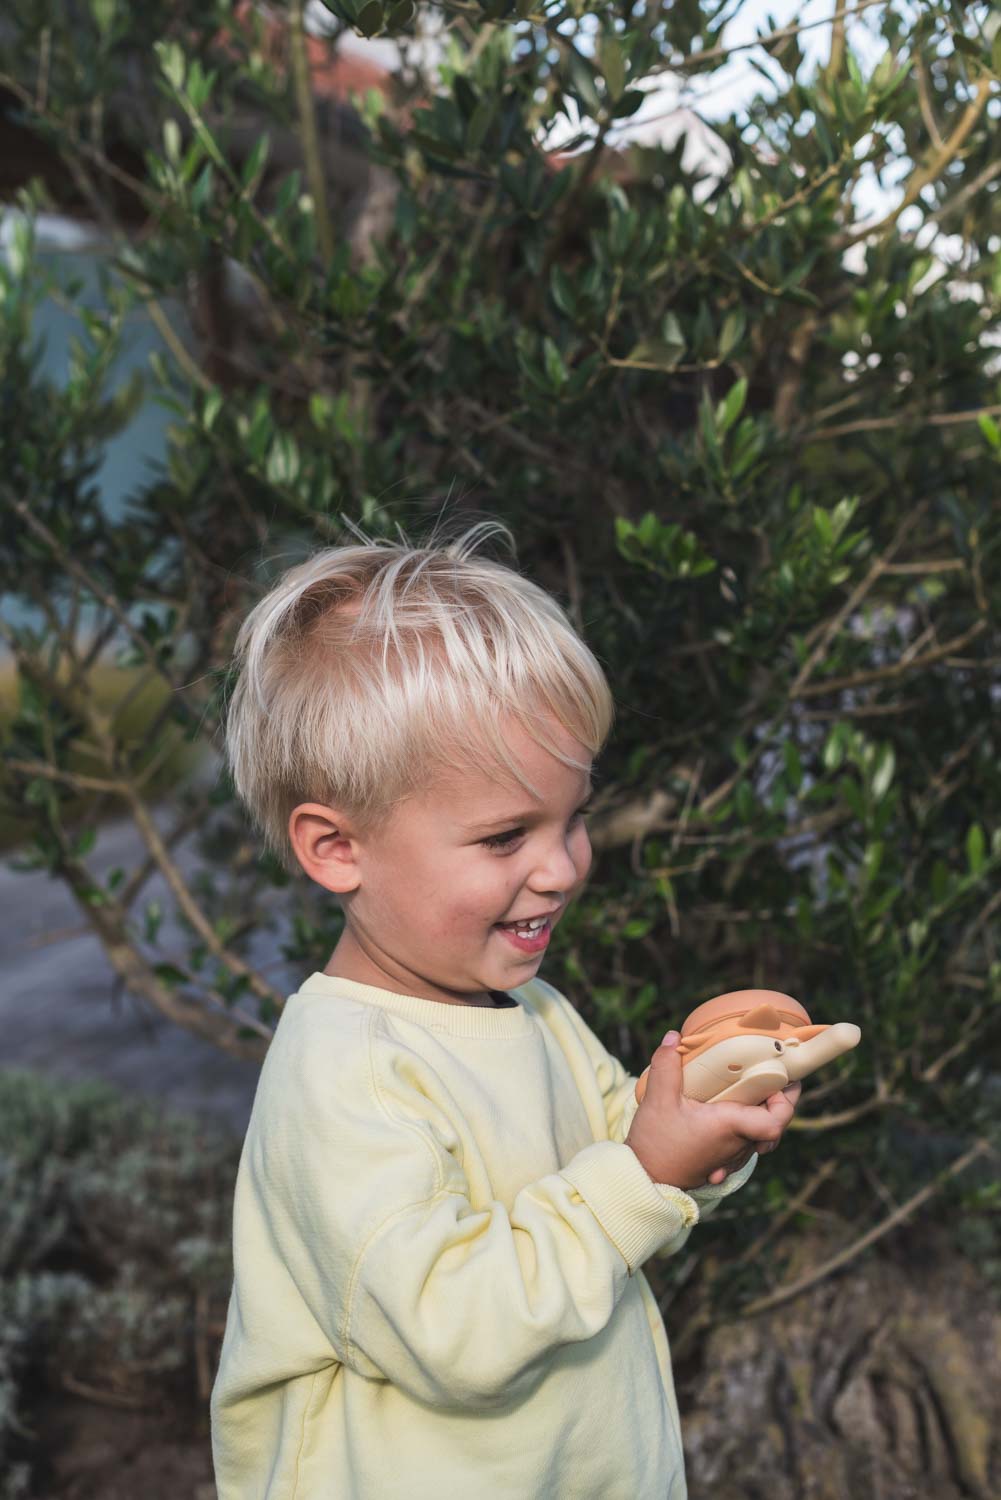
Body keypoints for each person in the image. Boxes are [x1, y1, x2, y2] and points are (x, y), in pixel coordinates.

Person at [210, 520, 800, 1499]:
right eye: (502, 837)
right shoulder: (344, 1077)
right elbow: (449, 1330)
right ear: (336, 850)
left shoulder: (525, 1011)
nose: (562, 866)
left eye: (570, 817)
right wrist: (644, 1168)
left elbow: (619, 1156)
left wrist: (702, 1105)